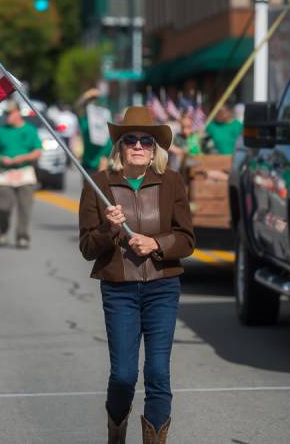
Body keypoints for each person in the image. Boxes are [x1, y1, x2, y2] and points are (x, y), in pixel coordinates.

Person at [78, 106, 195, 444]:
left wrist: (156, 243)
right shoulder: (99, 184)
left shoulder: (171, 181)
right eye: (131, 140)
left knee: (158, 373)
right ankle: (116, 433)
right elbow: (87, 247)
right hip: (120, 290)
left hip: (162, 287)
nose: (139, 145)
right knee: (124, 376)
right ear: (120, 146)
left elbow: (187, 238)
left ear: (155, 147)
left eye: (146, 140)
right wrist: (109, 229)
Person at [0, 101, 42, 249]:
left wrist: (20, 159)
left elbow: (37, 152)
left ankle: (22, 236)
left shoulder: (29, 130)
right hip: (6, 173)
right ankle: (3, 231)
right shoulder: (0, 131)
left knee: (25, 207)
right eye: (6, 113)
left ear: (18, 113)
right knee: (4, 207)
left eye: (10, 113)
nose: (8, 116)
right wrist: (2, 159)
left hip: (24, 173)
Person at [76, 88, 113, 176]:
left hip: (102, 165)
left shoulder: (106, 120)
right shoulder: (85, 120)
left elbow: (111, 144)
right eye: (91, 101)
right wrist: (87, 95)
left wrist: (106, 160)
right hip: (87, 164)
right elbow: (77, 107)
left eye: (96, 101)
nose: (94, 103)